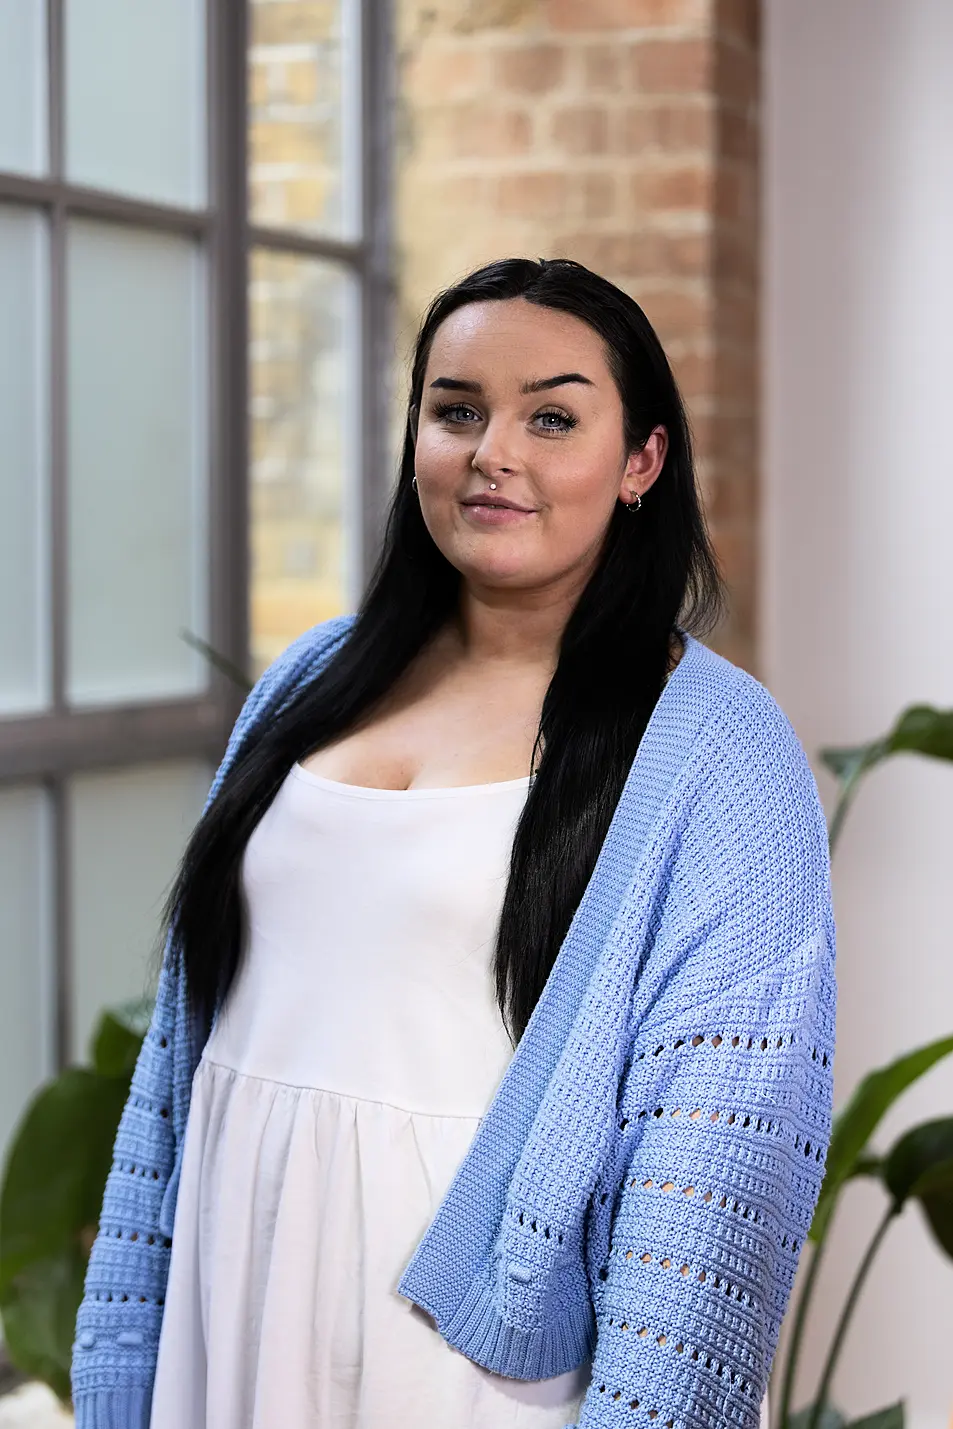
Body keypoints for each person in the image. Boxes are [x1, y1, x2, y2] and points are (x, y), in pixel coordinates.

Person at [70, 256, 836, 1429]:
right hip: (232, 1287)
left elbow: (711, 1165)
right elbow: (189, 1042)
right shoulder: (309, 682)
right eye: (456, 409)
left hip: (464, 1356)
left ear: (641, 461)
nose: (493, 452)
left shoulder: (719, 753)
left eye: (552, 417)